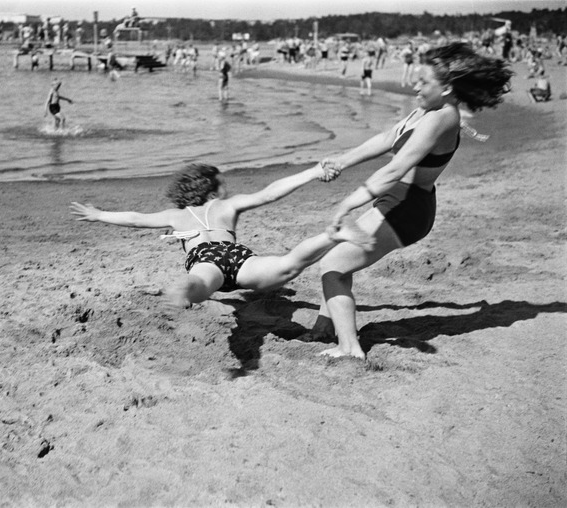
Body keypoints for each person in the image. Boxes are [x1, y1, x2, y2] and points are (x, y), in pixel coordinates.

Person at [308, 42, 513, 359]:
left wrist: (347, 204)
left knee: (332, 265)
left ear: (446, 88)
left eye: (423, 82)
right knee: (338, 255)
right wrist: (341, 160)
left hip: (407, 209)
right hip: (398, 201)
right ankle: (324, 328)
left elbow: (395, 168)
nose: (414, 85)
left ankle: (349, 349)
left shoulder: (442, 118)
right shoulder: (426, 110)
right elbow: (389, 138)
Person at [70, 163, 372, 308]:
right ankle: (333, 234)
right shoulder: (228, 205)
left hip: (207, 257)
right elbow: (269, 194)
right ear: (212, 189)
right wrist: (311, 172)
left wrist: (99, 215)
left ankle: (183, 290)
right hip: (238, 255)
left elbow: (135, 219)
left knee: (201, 284)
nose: (226, 187)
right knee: (288, 266)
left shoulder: (175, 216)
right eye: (222, 183)